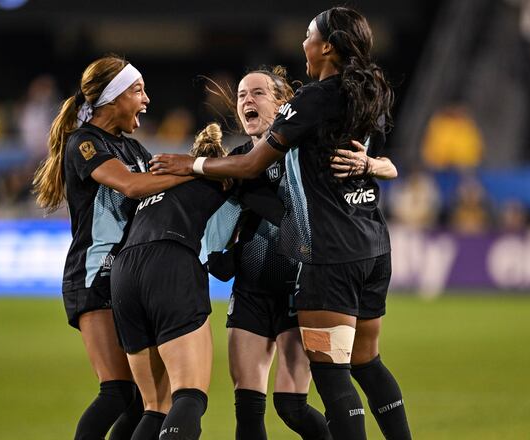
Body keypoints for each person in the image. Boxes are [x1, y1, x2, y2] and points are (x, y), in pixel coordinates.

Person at [151, 7, 410, 440]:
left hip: (329, 257)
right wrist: (376, 163)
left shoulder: (313, 100)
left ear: (327, 46)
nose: (302, 44)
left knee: (332, 378)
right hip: (373, 247)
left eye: (309, 36)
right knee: (367, 362)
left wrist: (190, 162)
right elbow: (374, 156)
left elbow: (252, 165)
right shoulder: (372, 93)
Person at [32, 55, 191, 440]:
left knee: (139, 400)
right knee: (117, 390)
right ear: (112, 98)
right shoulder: (85, 143)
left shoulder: (134, 149)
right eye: (138, 91)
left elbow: (159, 192)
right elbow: (134, 187)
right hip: (93, 275)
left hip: (126, 280)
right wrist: (193, 171)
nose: (147, 99)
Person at [112, 124, 271, 440]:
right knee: (189, 394)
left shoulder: (160, 183)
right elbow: (217, 259)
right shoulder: (220, 185)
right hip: (171, 262)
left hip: (124, 272)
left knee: (155, 405)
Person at [205, 67, 331, 440]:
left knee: (291, 407)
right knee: (247, 410)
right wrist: (217, 249)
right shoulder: (235, 161)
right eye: (242, 94)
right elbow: (219, 220)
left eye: (257, 93)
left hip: (300, 292)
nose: (246, 100)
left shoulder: (303, 154)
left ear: (281, 104)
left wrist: (373, 164)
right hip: (251, 293)